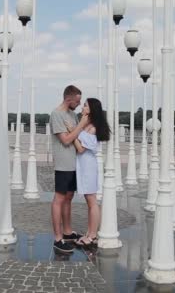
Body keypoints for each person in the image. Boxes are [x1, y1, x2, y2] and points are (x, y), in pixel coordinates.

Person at [49, 85, 89, 253]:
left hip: (74, 163)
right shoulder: (56, 114)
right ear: (68, 99)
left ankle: (67, 232)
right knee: (59, 198)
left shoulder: (72, 115)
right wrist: (80, 125)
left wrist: (76, 128)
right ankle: (58, 238)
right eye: (77, 101)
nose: (79, 105)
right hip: (63, 164)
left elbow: (76, 136)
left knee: (69, 197)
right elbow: (66, 140)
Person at [66, 98, 110, 247]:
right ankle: (90, 233)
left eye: (85, 105)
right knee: (89, 201)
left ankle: (92, 236)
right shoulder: (87, 125)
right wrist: (77, 129)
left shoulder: (93, 128)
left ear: (91, 109)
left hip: (89, 166)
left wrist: (72, 133)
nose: (82, 107)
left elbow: (80, 149)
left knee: (92, 202)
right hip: (83, 165)